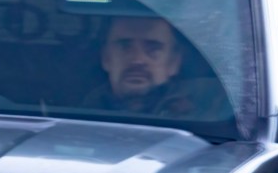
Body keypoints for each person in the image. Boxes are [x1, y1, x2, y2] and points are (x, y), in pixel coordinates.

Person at [82, 16, 230, 118]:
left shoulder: (210, 114)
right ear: (106, 58)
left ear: (174, 62)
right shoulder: (77, 115)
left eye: (153, 49)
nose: (137, 59)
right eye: (125, 46)